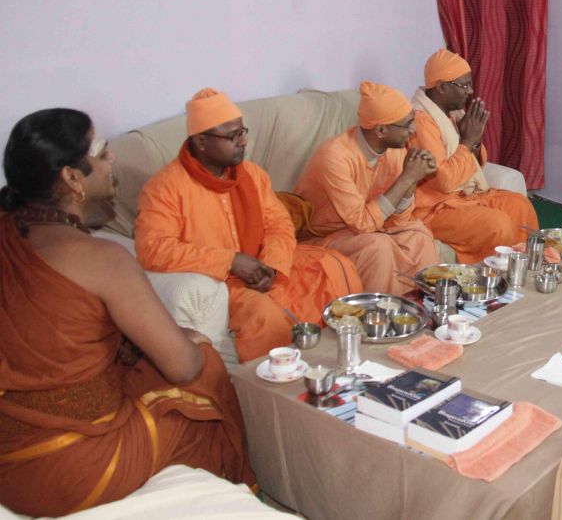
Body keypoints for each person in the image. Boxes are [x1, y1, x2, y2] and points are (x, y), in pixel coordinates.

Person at [0, 109, 254, 517]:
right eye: (101, 151)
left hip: (9, 458)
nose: (112, 158)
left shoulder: (9, 233)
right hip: (73, 468)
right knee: (205, 372)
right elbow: (184, 367)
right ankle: (232, 493)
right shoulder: (102, 259)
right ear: (72, 178)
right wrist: (184, 337)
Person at [134, 89, 362, 363]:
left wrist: (272, 265)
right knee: (265, 317)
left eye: (242, 132)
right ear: (201, 141)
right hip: (222, 282)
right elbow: (154, 249)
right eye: (232, 136)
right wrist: (230, 261)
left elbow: (279, 224)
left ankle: (339, 361)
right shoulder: (165, 188)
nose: (243, 141)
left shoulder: (252, 175)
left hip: (264, 266)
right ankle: (280, 380)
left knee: (334, 268)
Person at [294, 81, 440, 295]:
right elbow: (362, 224)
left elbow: (399, 220)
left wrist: (411, 181)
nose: (413, 130)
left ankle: (424, 306)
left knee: (419, 236)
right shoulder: (334, 156)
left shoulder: (395, 150)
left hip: (368, 229)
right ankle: (382, 311)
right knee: (377, 246)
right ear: (381, 130)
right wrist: (406, 178)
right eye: (408, 124)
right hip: (322, 237)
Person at [408, 49, 538, 263]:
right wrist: (467, 142)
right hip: (435, 209)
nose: (471, 91)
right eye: (464, 85)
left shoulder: (453, 115)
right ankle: (491, 277)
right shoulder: (421, 122)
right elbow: (444, 181)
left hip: (467, 197)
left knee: (520, 206)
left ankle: (522, 269)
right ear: (442, 87)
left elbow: (477, 163)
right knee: (497, 225)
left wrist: (474, 140)